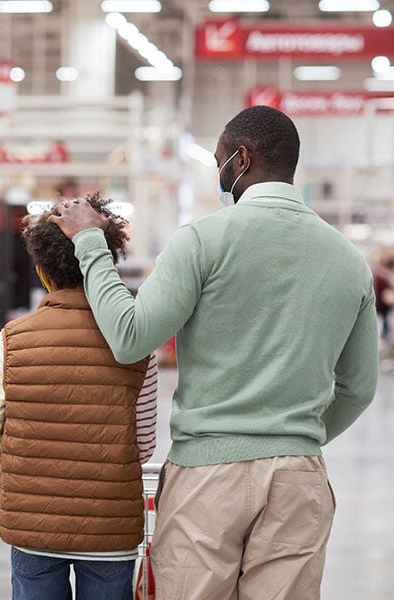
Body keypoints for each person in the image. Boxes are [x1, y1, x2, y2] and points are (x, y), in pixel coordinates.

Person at [49, 105, 378, 600]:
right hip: (298, 478)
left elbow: (131, 336)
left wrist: (91, 244)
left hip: (208, 475)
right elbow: (359, 388)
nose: (218, 171)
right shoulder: (349, 262)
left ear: (240, 159)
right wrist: (290, 440)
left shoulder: (202, 241)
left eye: (220, 159)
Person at [0, 192, 159, 600]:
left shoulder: (13, 340)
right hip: (110, 531)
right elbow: (142, 446)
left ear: (42, 272)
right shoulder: (139, 341)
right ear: (108, 260)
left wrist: (12, 506)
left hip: (33, 533)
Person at [373, 252, 394, 343]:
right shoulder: (385, 275)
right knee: (384, 321)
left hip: (377, 302)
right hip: (382, 303)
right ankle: (384, 337)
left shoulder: (377, 271)